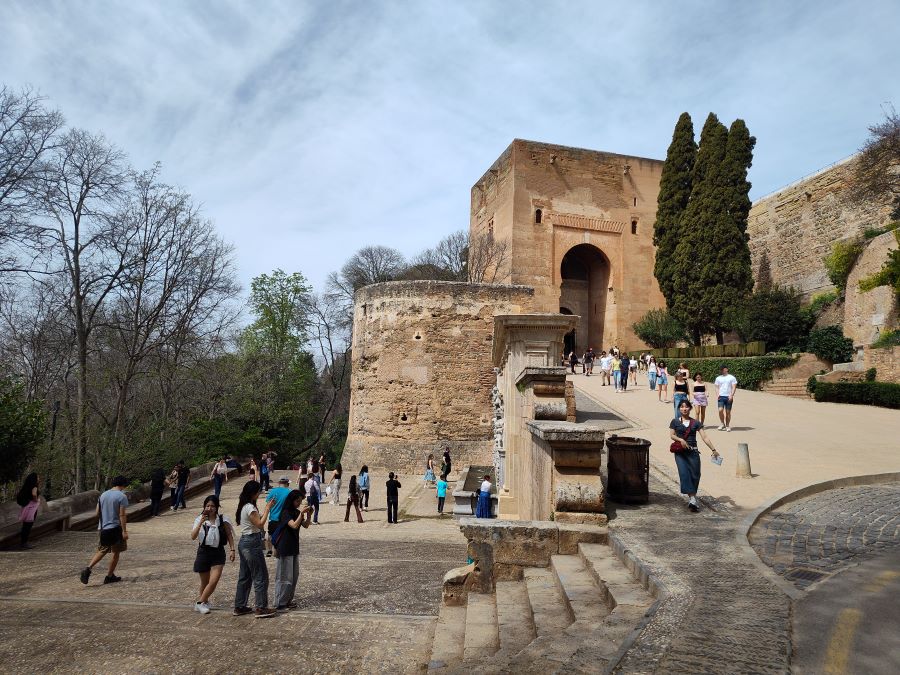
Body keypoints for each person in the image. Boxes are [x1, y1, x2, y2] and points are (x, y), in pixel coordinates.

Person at [232, 480, 275, 618]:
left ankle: (240, 606)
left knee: (245, 576)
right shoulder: (250, 507)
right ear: (253, 493)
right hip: (251, 543)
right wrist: (268, 508)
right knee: (260, 576)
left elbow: (255, 522)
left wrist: (264, 511)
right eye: (258, 491)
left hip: (245, 542)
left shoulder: (245, 506)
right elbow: (260, 524)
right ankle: (261, 607)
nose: (259, 494)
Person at [670, 400, 720, 512]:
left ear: (690, 409)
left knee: (695, 474)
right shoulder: (675, 422)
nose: (684, 409)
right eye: (682, 407)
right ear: (679, 409)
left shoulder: (696, 423)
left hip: (693, 452)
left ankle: (692, 497)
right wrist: (680, 439)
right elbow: (672, 435)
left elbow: (705, 437)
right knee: (684, 473)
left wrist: (713, 449)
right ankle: (692, 499)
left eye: (686, 407)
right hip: (680, 453)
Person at [80, 475, 130, 585]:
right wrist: (124, 531)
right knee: (116, 552)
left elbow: (97, 513)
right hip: (116, 528)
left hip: (103, 528)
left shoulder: (103, 494)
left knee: (102, 550)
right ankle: (109, 576)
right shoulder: (122, 496)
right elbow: (122, 514)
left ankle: (88, 568)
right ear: (123, 485)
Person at [190, 495, 235, 614]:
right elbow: (193, 536)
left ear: (217, 507)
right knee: (205, 582)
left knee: (214, 581)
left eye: (213, 506)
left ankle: (199, 603)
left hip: (218, 552)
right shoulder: (199, 519)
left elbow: (229, 534)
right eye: (208, 506)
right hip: (204, 552)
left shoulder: (223, 519)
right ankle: (204, 601)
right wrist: (200, 522)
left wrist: (232, 549)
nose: (210, 508)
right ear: (204, 507)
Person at [273, 488, 311, 611]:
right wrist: (301, 514)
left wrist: (308, 515)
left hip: (294, 547)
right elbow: (294, 525)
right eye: (297, 501)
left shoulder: (296, 512)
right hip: (285, 547)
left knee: (294, 576)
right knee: (284, 576)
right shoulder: (285, 512)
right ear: (292, 500)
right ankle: (280, 602)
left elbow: (305, 525)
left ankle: (288, 599)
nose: (299, 504)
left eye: (300, 501)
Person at [264, 477, 292, 557]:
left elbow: (268, 504)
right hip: (284, 519)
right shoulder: (289, 492)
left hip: (273, 518)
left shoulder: (273, 491)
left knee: (270, 534)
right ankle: (278, 553)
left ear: (279, 483)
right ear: (287, 483)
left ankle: (270, 550)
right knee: (281, 538)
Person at [16, 473, 40, 549]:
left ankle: (23, 542)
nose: (39, 479)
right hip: (31, 508)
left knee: (25, 526)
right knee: (28, 526)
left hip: (26, 507)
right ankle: (24, 543)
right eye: (38, 477)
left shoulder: (26, 486)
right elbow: (34, 494)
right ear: (34, 479)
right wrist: (36, 500)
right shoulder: (34, 487)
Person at [714, 365, 738, 431]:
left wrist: (731, 395)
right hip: (721, 396)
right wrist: (717, 394)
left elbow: (734, 387)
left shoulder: (732, 377)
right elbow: (716, 387)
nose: (722, 370)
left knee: (728, 412)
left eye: (723, 369)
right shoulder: (718, 378)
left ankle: (727, 425)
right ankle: (722, 424)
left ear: (726, 369)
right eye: (721, 369)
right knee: (720, 410)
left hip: (728, 396)